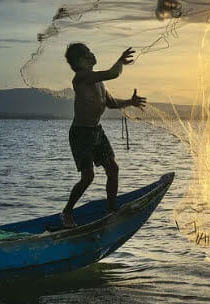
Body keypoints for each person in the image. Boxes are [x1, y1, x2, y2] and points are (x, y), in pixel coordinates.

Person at [60, 43, 146, 228]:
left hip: (96, 131)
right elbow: (113, 73)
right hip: (81, 133)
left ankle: (110, 209)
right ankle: (67, 212)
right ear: (81, 60)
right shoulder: (81, 78)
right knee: (88, 177)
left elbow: (111, 103)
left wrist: (130, 102)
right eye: (89, 52)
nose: (93, 53)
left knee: (113, 168)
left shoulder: (98, 81)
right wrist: (121, 61)